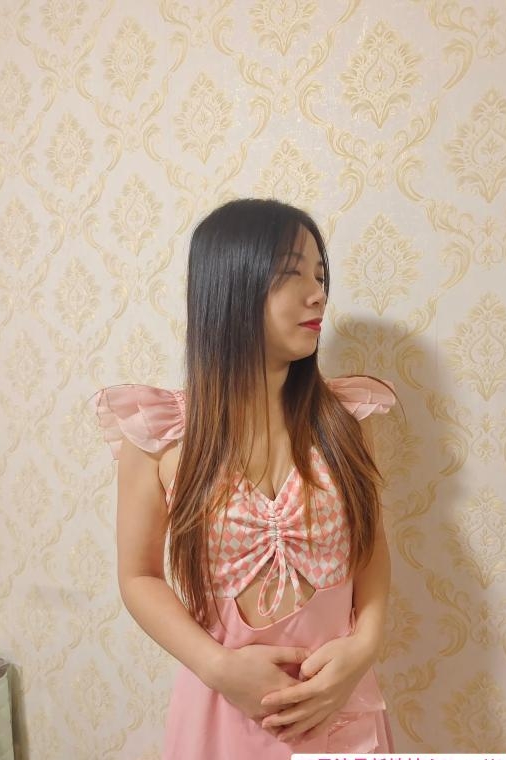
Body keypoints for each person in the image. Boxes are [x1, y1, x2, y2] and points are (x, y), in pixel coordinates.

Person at [90, 198, 399, 758]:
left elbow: (370, 545)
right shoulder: (158, 433)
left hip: (339, 707)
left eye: (320, 276)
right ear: (230, 285)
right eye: (291, 273)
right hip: (222, 711)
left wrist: (365, 645)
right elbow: (139, 576)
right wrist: (218, 667)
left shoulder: (346, 421)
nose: (317, 294)